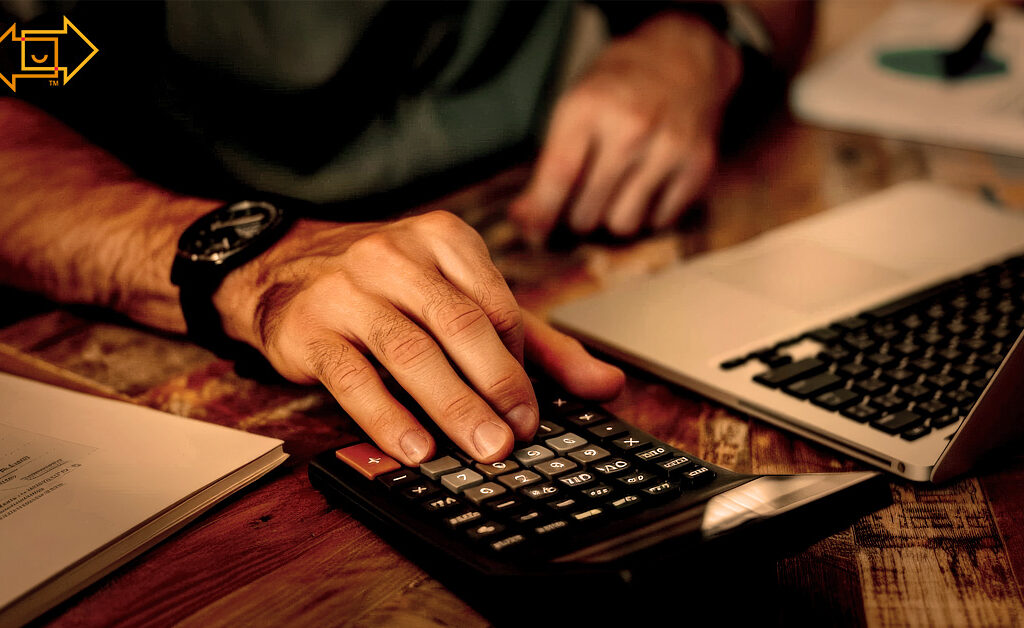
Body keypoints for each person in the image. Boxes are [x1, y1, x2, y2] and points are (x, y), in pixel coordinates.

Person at [0, 1, 812, 467]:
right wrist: (251, 260)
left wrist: (701, 35)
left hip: (561, 217)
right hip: (171, 272)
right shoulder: (60, 40)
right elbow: (16, 86)